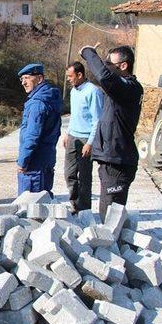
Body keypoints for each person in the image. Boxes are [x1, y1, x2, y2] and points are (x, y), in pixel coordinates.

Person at [80, 44, 143, 221]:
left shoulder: (130, 88)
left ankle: (111, 247)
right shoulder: (121, 89)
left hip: (118, 162)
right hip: (112, 158)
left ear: (123, 65)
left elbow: (104, 77)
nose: (106, 66)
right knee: (107, 213)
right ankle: (109, 245)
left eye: (109, 63)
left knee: (110, 217)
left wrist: (88, 52)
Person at [16, 63, 63, 196]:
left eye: (27, 78)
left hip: (34, 163)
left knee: (30, 208)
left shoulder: (37, 103)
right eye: (22, 79)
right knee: (44, 203)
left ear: (39, 79)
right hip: (47, 158)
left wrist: (23, 161)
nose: (23, 82)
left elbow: (32, 135)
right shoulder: (50, 98)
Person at [63, 61, 104, 213]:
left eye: (70, 76)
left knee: (84, 177)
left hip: (86, 139)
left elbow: (97, 120)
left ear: (79, 75)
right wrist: (67, 133)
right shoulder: (74, 91)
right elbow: (74, 115)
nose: (68, 79)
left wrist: (90, 143)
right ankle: (75, 205)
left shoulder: (93, 92)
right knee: (69, 173)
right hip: (73, 137)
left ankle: (84, 210)